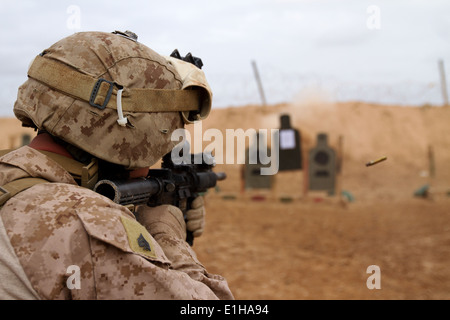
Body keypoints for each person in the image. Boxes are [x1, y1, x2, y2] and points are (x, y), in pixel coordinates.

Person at [0, 31, 234, 300]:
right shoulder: (90, 223)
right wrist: (167, 235)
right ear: (129, 139)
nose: (150, 166)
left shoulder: (11, 176)